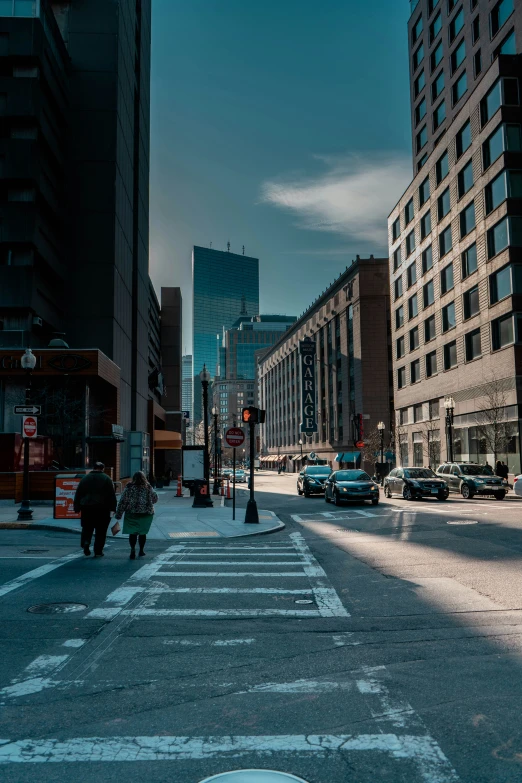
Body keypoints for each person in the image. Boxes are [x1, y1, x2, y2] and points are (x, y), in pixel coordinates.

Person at [74, 462, 117, 558]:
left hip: (87, 507)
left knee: (87, 527)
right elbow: (111, 495)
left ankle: (86, 542)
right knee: (101, 530)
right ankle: (98, 551)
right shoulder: (106, 478)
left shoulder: (85, 478)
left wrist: (76, 507)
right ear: (102, 468)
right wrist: (113, 508)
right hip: (102, 508)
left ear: (93, 468)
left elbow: (78, 493)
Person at [114, 471, 158, 559]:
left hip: (131, 513)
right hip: (146, 513)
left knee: (132, 532)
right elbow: (155, 498)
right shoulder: (148, 487)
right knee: (142, 533)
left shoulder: (129, 487)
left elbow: (123, 501)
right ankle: (141, 550)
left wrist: (119, 514)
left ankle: (132, 549)